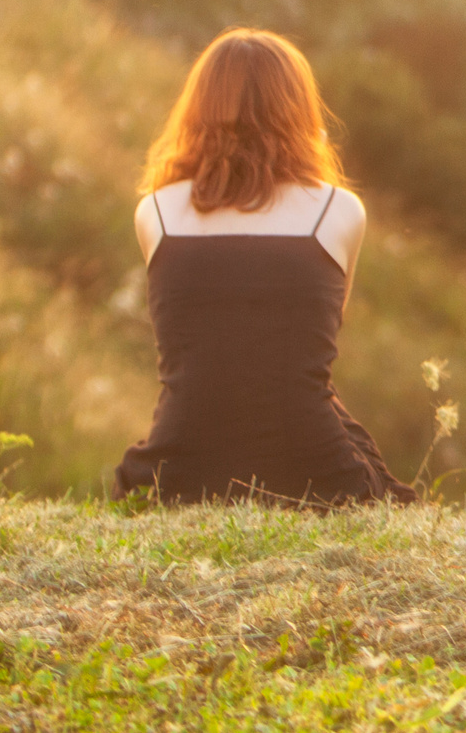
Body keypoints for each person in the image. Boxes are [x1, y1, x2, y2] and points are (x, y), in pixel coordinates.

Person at [110, 28, 415, 507]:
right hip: (316, 468)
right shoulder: (338, 210)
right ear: (299, 109)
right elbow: (307, 347)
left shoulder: (155, 212)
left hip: (179, 468)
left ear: (197, 109)